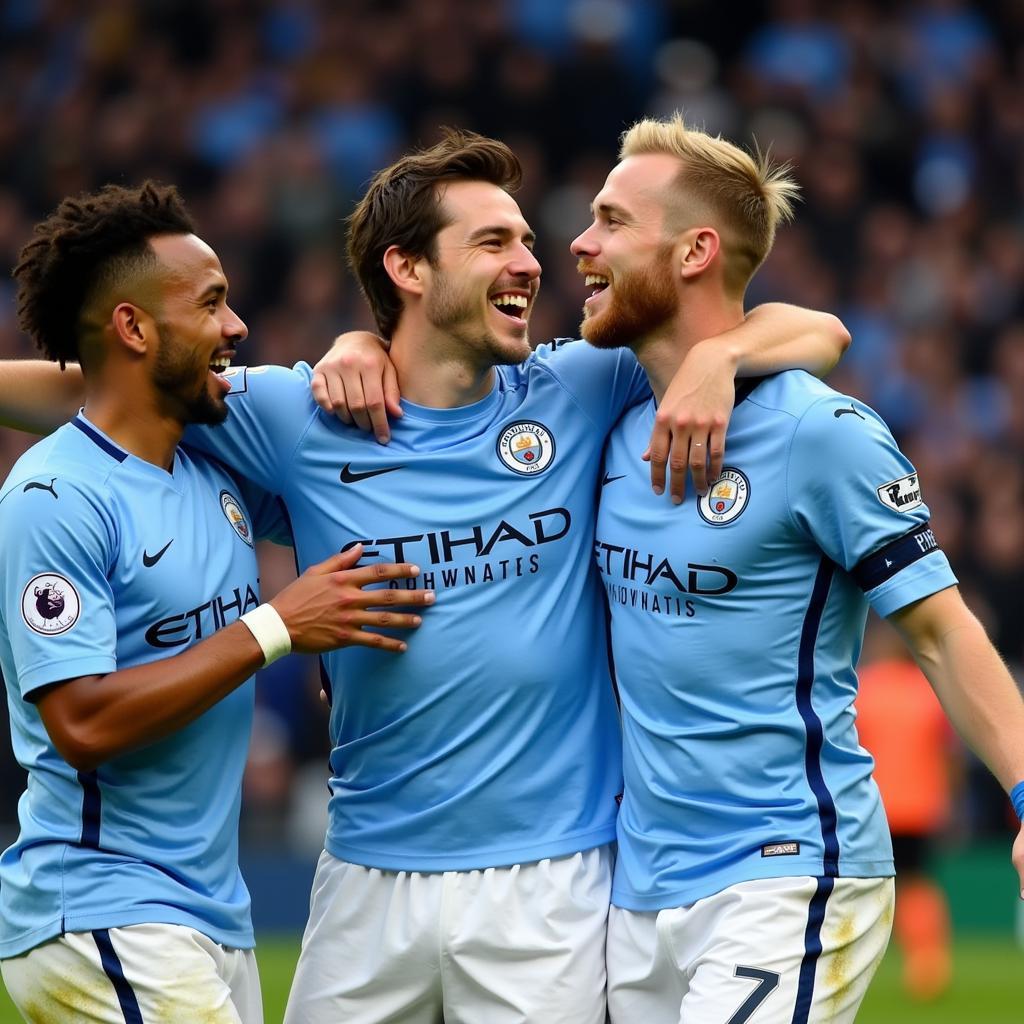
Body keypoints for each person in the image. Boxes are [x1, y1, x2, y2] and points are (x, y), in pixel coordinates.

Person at [0, 133, 848, 1024]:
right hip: (366, 877)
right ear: (405, 267)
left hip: (550, 882)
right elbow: (109, 388)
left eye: (524, 239)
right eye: (494, 243)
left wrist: (720, 361)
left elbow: (819, 332)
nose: (532, 262)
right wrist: (350, 348)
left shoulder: (580, 387)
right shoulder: (303, 415)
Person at [567, 114, 1024, 1023]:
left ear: (696, 250)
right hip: (636, 887)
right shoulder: (600, 406)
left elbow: (940, 631)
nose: (581, 242)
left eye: (612, 220)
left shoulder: (821, 435)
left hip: (787, 871)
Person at [0, 182, 430, 1024]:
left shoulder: (214, 468)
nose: (236, 327)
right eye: (211, 303)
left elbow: (335, 481)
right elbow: (79, 724)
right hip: (100, 907)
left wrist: (359, 344)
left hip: (204, 909)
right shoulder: (54, 495)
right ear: (133, 328)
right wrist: (276, 627)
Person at [856, 620, 956, 1001]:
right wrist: (950, 799)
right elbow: (949, 754)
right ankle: (927, 963)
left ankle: (859, 957)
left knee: (873, 885)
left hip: (875, 805)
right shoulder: (926, 691)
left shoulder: (864, 688)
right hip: (922, 804)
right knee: (919, 882)